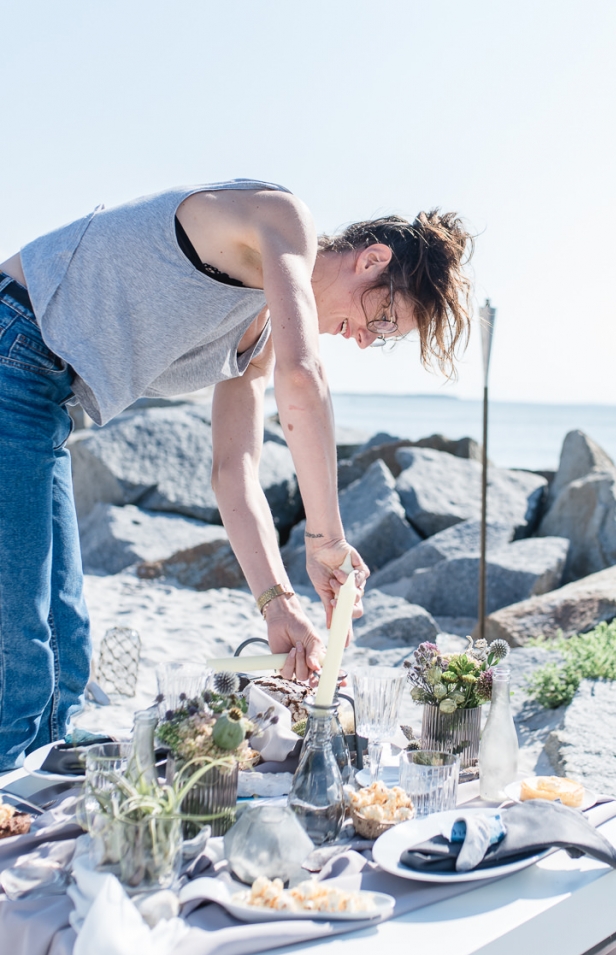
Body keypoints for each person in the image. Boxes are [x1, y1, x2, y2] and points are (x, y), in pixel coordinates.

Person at [0, 178, 473, 770]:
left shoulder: (260, 333)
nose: (361, 338)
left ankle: (32, 775)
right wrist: (325, 541)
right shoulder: (281, 216)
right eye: (381, 319)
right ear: (371, 259)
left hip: (43, 395)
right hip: (12, 343)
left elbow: (234, 471)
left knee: (62, 640)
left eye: (381, 340)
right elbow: (304, 380)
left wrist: (278, 604)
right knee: (19, 641)